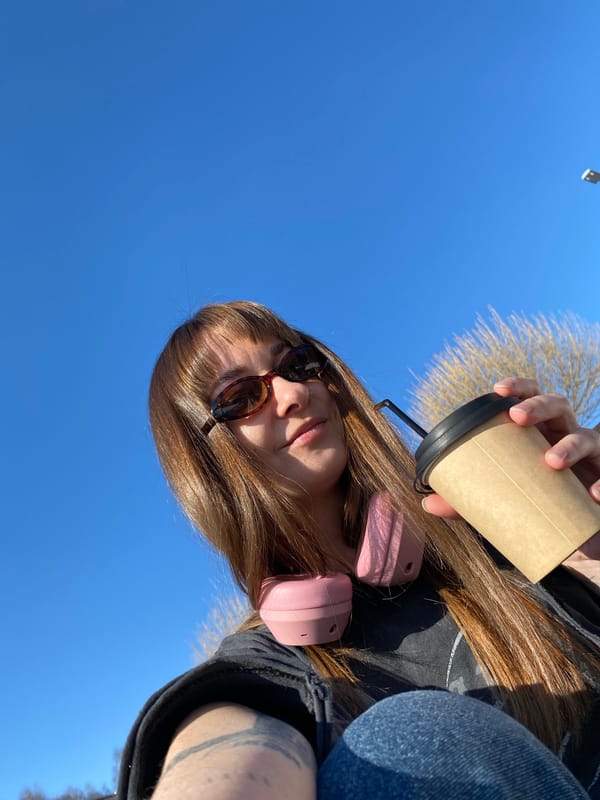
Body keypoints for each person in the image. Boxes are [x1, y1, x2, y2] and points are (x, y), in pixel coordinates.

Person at [117, 300, 600, 800]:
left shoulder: (490, 521)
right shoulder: (266, 668)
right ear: (206, 463)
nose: (293, 393)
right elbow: (228, 754)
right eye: (241, 396)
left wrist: (588, 539)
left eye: (295, 365)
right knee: (404, 736)